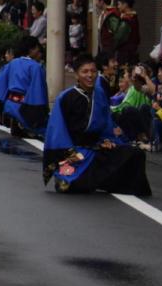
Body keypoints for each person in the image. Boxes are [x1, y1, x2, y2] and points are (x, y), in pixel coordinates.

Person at [42, 54, 151, 196]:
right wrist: (70, 153)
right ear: (76, 75)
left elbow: (106, 123)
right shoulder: (66, 97)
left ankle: (114, 184)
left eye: (93, 71)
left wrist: (108, 140)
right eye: (85, 71)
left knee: (135, 154)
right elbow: (56, 130)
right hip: (75, 150)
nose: (90, 75)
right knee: (72, 186)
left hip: (96, 147)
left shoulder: (99, 94)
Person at [0, 36, 49, 136]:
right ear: (31, 49)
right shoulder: (36, 67)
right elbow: (38, 91)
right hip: (25, 106)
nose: (38, 50)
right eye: (37, 47)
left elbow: (0, 81)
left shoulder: (13, 63)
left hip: (9, 103)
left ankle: (15, 124)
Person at [100, 0, 141, 64]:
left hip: (125, 54)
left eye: (119, 4)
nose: (118, 7)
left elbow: (118, 37)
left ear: (125, 4)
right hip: (132, 52)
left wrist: (111, 47)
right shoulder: (133, 17)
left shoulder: (127, 20)